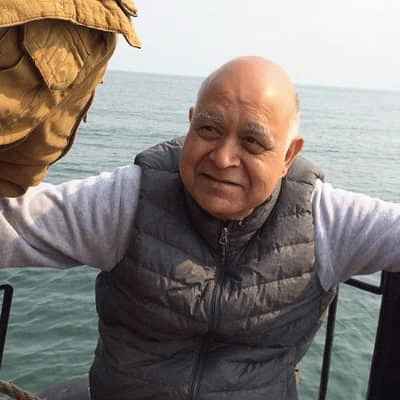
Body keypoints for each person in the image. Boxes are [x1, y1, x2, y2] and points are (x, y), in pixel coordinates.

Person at [1, 56, 400, 400]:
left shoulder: (322, 219)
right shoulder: (133, 199)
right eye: (209, 129)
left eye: (252, 141)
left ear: (288, 156)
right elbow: (16, 225)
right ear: (190, 125)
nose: (223, 158)